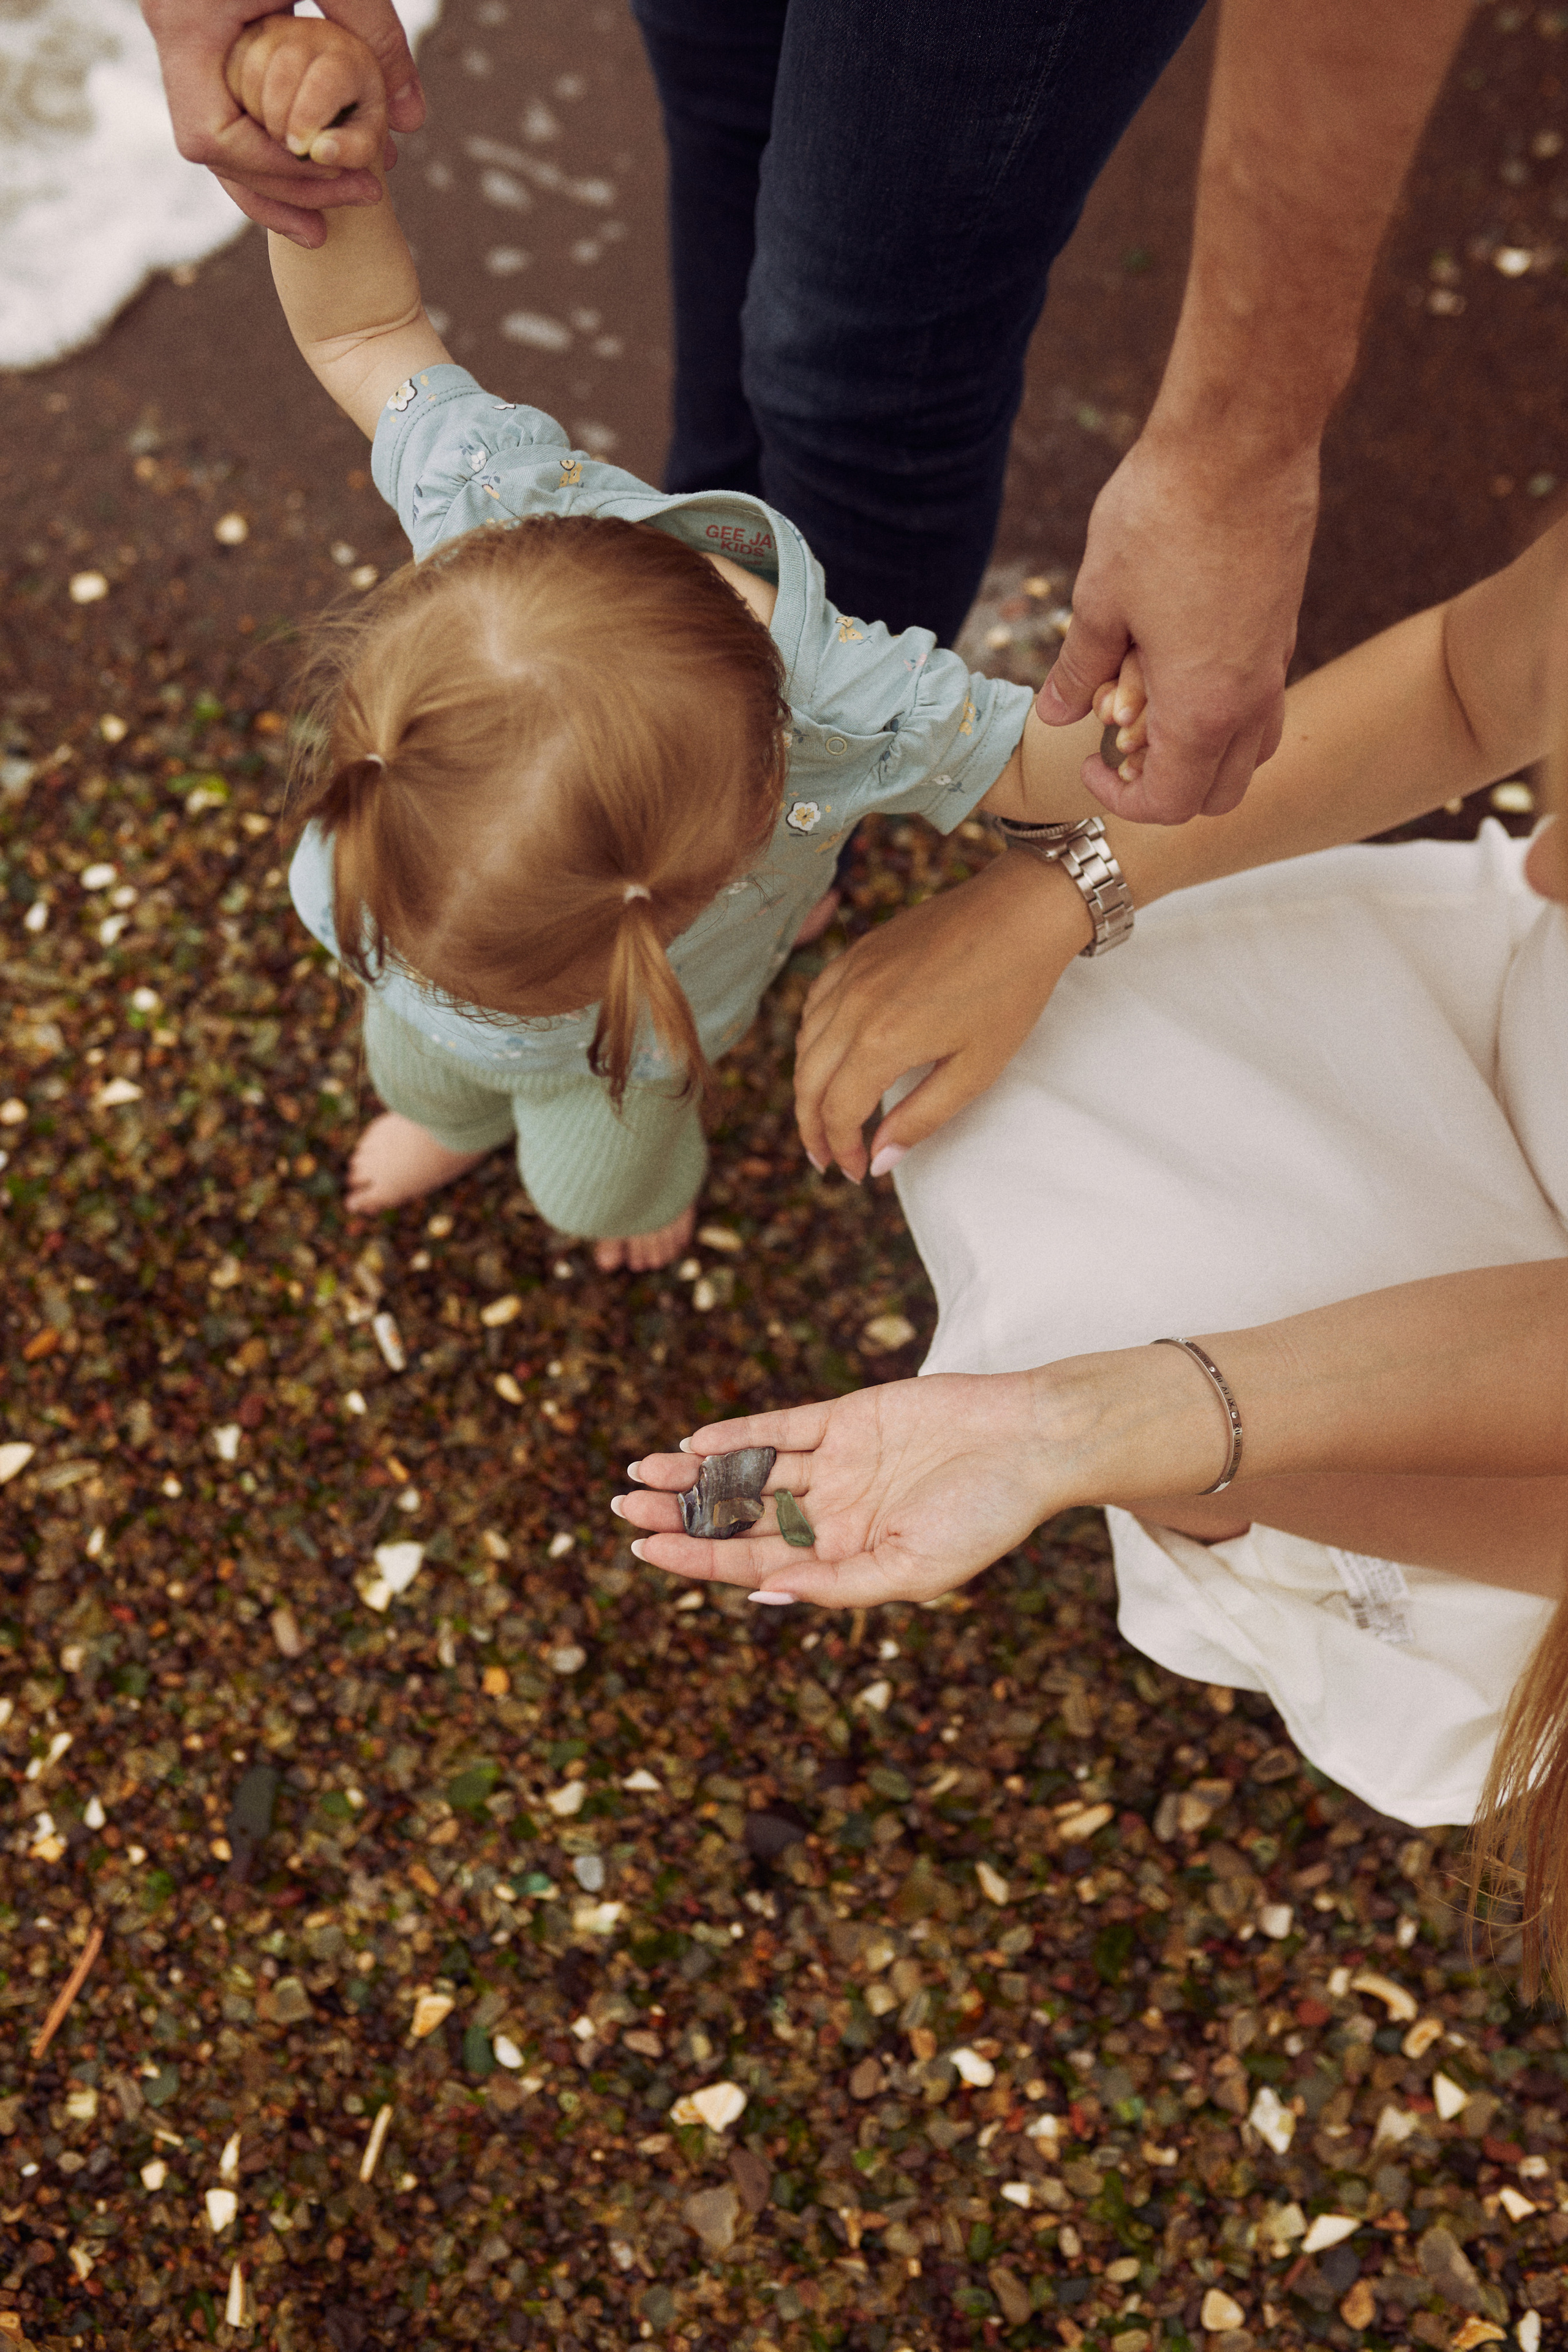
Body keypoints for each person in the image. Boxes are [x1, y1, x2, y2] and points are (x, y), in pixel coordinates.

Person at [614, 520, 1568, 1998]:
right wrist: (1056, 895)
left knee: (1125, 1331)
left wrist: (1121, 1434)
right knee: (1032, 1061)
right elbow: (1458, 678)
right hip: (1515, 1058)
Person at [227, 16, 1133, 1270]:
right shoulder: (485, 506)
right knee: (418, 1059)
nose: (465, 991)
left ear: (748, 825)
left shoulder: (853, 718)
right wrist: (312, 173)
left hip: (640, 1054)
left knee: (598, 1176)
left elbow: (1044, 768)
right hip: (455, 978)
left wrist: (1131, 690)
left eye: (522, 985)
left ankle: (633, 1183)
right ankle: (444, 1112)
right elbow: (360, 332)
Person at [143, 0, 1474, 822]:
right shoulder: (485, 533)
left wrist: (1166, 671)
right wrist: (323, 145)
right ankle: (449, 1083)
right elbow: (366, 327)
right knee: (734, 108)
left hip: (651, 1007)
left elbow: (1019, 768)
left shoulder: (827, 712)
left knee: (861, 346)